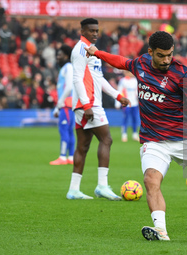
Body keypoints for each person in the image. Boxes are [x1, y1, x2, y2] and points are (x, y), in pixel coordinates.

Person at [85, 31, 187, 241]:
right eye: (161, 55)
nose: (166, 60)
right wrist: (97, 53)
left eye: (170, 55)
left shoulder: (181, 74)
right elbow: (121, 62)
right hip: (154, 140)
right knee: (150, 181)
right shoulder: (141, 64)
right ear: (150, 52)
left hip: (184, 139)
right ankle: (161, 231)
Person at [66, 18, 130, 200]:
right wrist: (86, 105)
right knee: (106, 139)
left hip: (87, 104)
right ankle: (102, 186)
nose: (95, 33)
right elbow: (77, 78)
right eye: (91, 30)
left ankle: (73, 190)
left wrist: (117, 95)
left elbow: (99, 78)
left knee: (83, 146)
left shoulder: (93, 51)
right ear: (83, 31)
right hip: (89, 104)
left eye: (97, 30)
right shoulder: (80, 50)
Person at [50, 44, 75, 165]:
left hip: (65, 105)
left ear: (66, 55)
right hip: (68, 105)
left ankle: (62, 157)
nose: (57, 57)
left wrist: (59, 104)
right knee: (69, 131)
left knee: (64, 130)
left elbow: (69, 86)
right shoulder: (66, 68)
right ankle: (70, 157)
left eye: (59, 55)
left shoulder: (68, 67)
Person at [115, 70, 139, 142]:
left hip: (135, 103)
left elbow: (138, 91)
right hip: (126, 103)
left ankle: (135, 134)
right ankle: (124, 135)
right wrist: (117, 103)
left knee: (135, 118)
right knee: (125, 119)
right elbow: (119, 91)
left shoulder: (136, 80)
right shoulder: (123, 81)